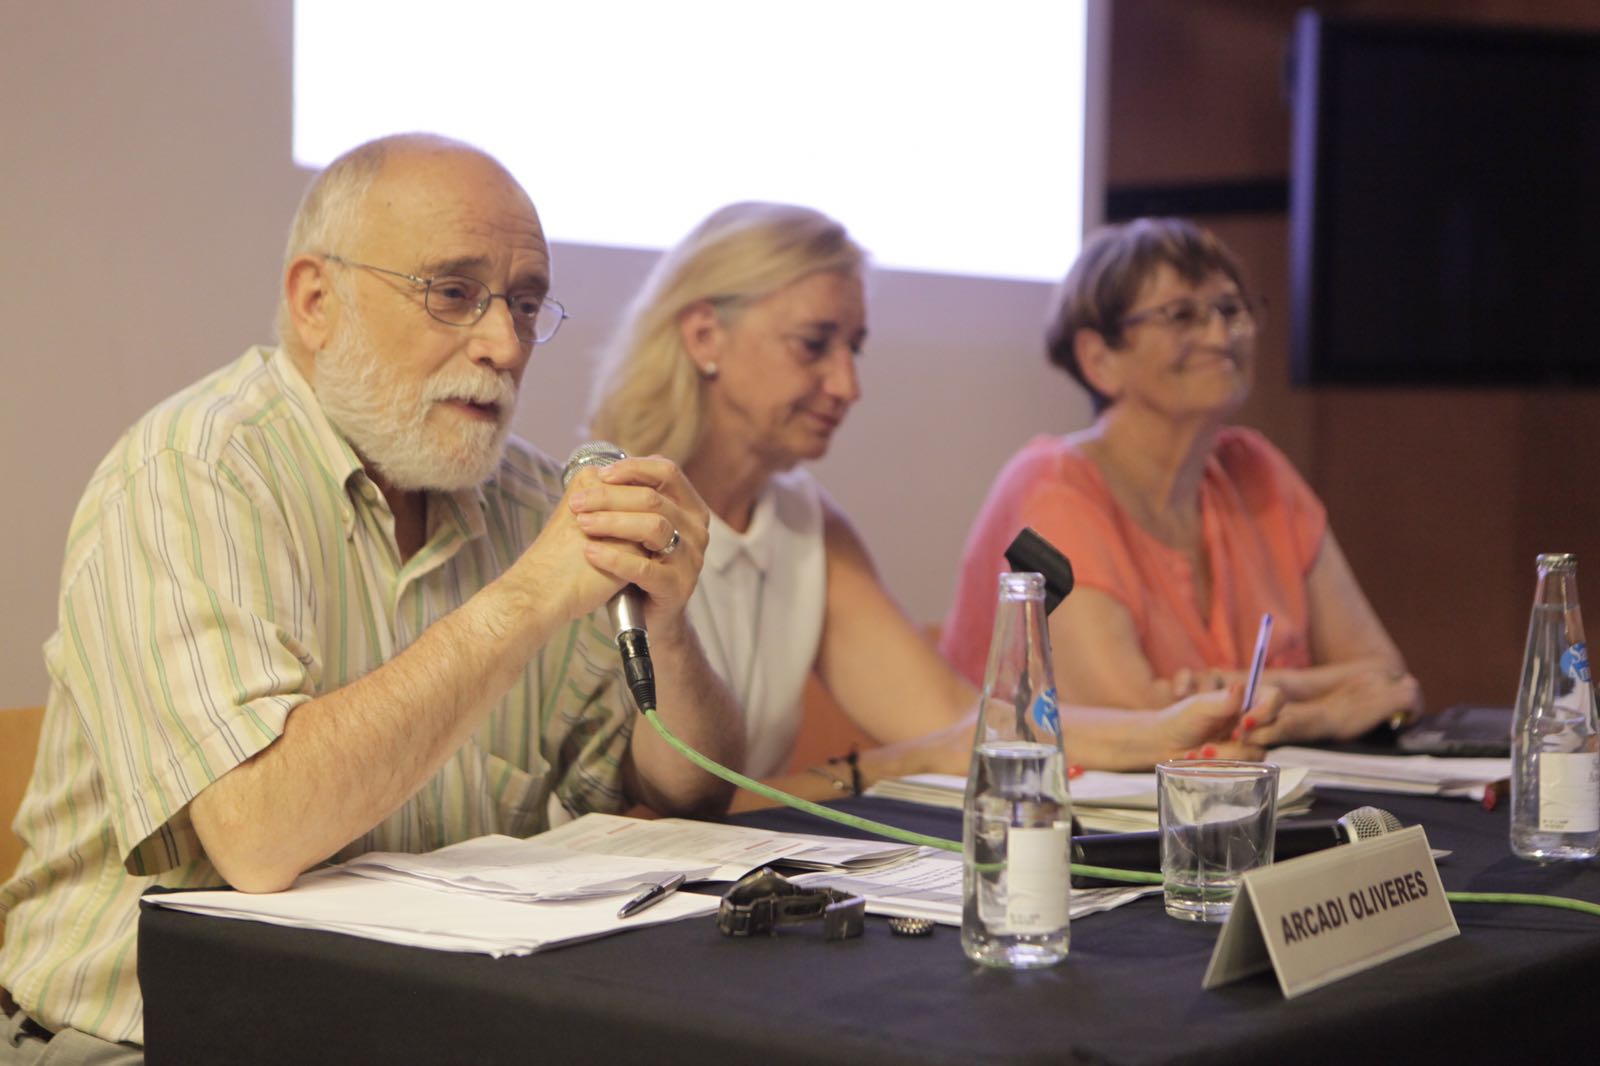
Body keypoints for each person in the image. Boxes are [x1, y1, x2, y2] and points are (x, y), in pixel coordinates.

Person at [0, 133, 741, 1059]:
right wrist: (522, 604)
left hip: (424, 1026)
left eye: (525, 302)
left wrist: (667, 633)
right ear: (317, 301)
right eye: (454, 292)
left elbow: (682, 788)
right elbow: (261, 837)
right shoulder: (192, 474)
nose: (505, 344)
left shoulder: (526, 501)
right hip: (154, 1039)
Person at [586, 203, 1281, 807]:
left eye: (854, 348)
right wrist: (891, 767)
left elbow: (956, 722)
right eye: (815, 345)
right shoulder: (610, 513)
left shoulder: (804, 519)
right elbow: (655, 811)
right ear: (705, 335)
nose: (848, 384)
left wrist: (1168, 735)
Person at [942, 217, 1422, 745]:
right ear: (1099, 359)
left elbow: (1389, 680)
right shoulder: (1050, 490)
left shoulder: (1258, 470)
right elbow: (1143, 724)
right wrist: (1325, 706)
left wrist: (1262, 693)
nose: (1220, 336)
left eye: (1230, 309)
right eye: (1182, 315)